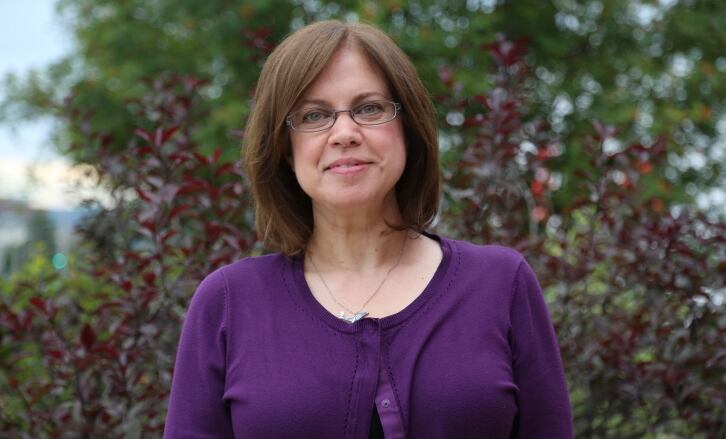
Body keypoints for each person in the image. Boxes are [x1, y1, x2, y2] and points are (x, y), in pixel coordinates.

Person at [164, 20, 573, 438]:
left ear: (407, 129)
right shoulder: (229, 303)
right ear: (284, 150)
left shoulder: (501, 285)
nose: (344, 133)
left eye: (370, 108)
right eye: (314, 115)